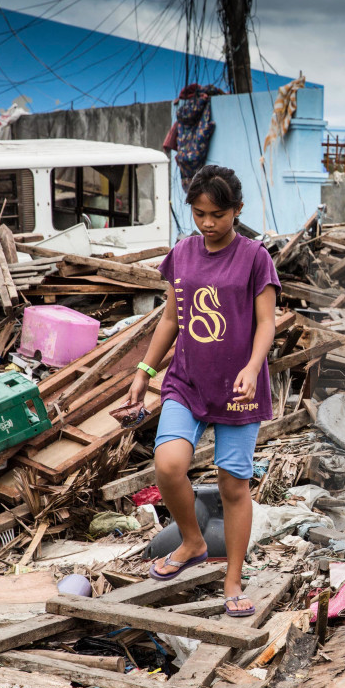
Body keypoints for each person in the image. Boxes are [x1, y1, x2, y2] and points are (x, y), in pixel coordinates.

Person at [125, 165, 279, 618]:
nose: (207, 223)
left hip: (239, 388)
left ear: (237, 210)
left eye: (217, 214)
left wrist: (253, 367)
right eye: (199, 213)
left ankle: (232, 577)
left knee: (234, 485)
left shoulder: (255, 258)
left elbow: (267, 322)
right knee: (169, 465)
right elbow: (171, 319)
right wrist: (143, 371)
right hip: (186, 380)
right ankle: (192, 541)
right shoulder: (182, 254)